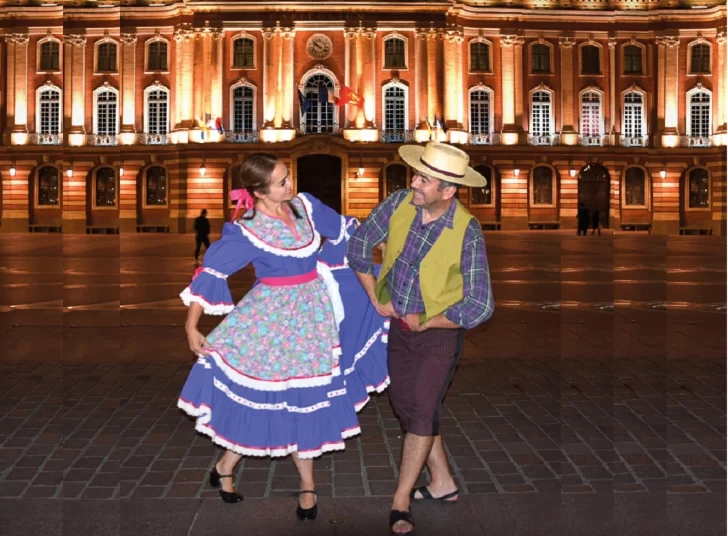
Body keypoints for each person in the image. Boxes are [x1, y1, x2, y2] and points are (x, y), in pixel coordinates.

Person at [177, 154, 389, 520]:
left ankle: (305, 486)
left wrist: (384, 247)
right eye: (280, 182)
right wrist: (191, 325)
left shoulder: (305, 205)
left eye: (287, 177)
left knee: (303, 400)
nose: (289, 185)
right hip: (269, 324)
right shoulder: (246, 230)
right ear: (258, 191)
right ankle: (227, 466)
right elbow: (212, 271)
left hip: (315, 318)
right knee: (267, 400)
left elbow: (345, 231)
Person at [347, 141, 495, 534]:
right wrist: (376, 299)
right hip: (398, 327)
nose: (413, 182)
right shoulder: (398, 204)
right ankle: (443, 483)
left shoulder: (468, 230)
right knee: (408, 407)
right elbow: (359, 245)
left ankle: (400, 500)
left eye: (424, 180)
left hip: (439, 334)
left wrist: (428, 320)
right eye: (417, 174)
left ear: (447, 191)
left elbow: (480, 305)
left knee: (422, 407)